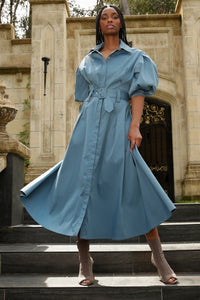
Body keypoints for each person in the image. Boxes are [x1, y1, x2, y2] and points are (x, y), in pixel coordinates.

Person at [21, 5, 178, 286]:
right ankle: (84, 261)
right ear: (99, 24)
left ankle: (159, 257)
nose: (109, 20)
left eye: (114, 16)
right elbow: (84, 96)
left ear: (121, 23)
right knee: (83, 188)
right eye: (104, 17)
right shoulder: (87, 60)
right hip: (88, 128)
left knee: (136, 185)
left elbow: (138, 93)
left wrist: (135, 126)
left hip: (119, 125)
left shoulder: (136, 58)